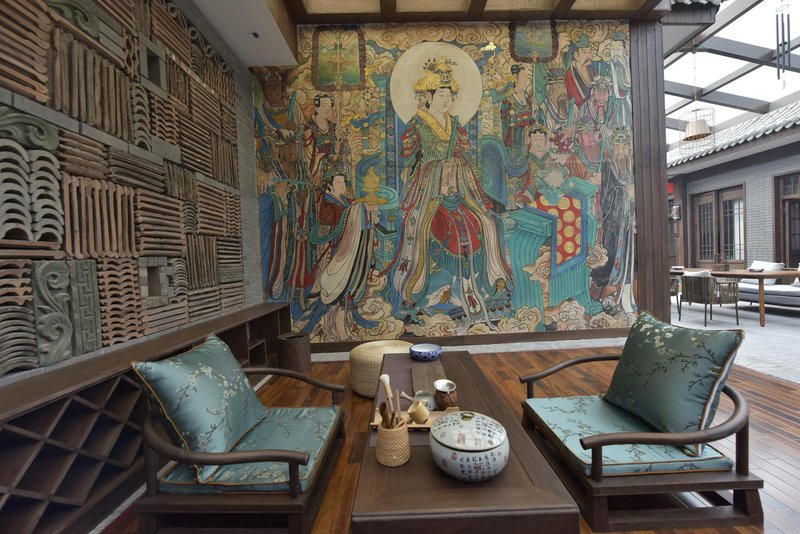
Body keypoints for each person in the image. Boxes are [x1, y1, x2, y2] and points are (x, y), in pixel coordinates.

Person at [392, 56, 512, 329]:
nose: (447, 100)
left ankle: (489, 281)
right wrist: (435, 171)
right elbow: (408, 164)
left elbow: (466, 157)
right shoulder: (418, 124)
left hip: (457, 189)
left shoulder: (455, 124)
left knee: (487, 222)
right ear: (428, 97)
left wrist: (456, 169)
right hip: (428, 193)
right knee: (424, 228)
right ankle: (424, 292)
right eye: (441, 95)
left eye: (450, 95)